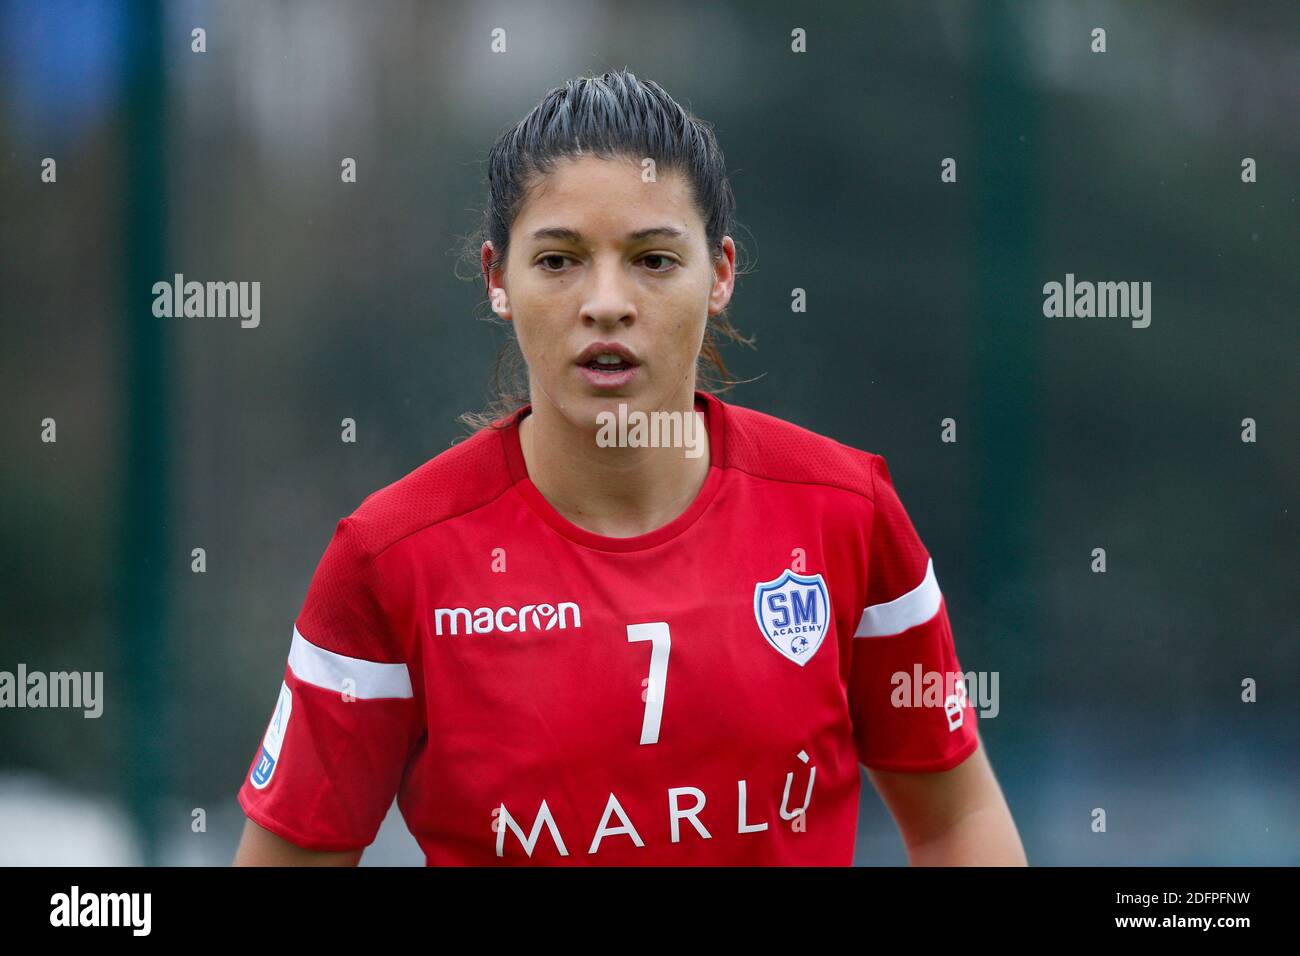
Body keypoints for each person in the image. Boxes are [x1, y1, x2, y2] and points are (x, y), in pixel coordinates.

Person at [233, 69, 1025, 866]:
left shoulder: (846, 513)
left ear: (718, 275)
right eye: (558, 260)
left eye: (652, 259)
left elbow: (955, 818)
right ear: (495, 278)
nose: (606, 301)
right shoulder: (388, 559)